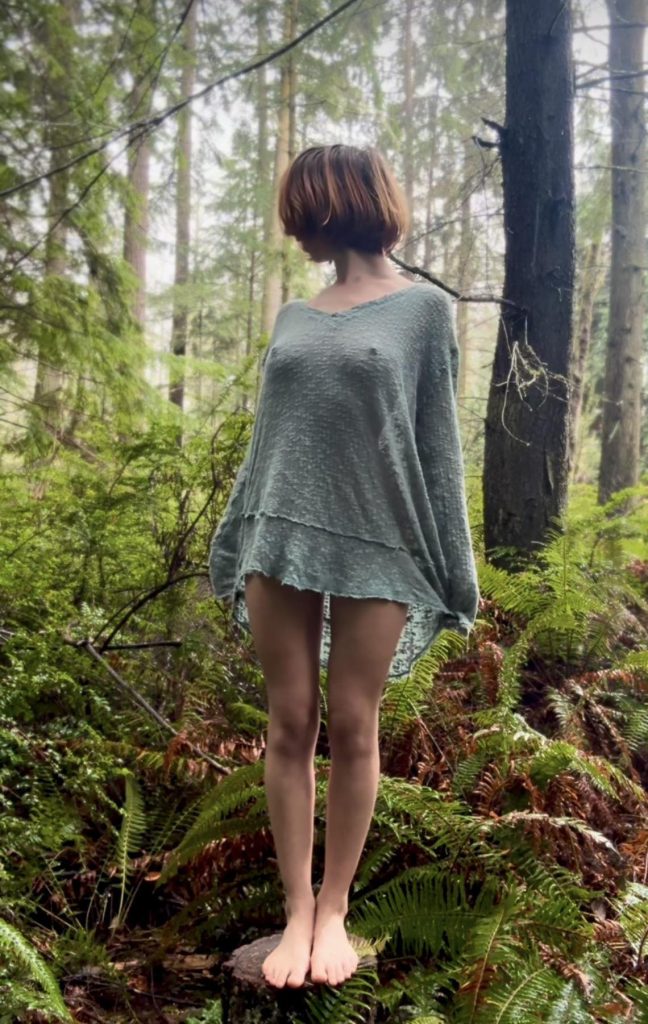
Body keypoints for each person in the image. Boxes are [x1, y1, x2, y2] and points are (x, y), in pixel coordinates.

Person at [208, 144, 480, 990]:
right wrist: (237, 530)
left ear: (339, 204)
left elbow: (437, 447)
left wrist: (452, 561)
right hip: (280, 534)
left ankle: (334, 910)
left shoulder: (423, 312)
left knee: (355, 724)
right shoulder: (294, 315)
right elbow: (269, 445)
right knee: (289, 722)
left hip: (381, 538)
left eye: (303, 212)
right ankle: (296, 910)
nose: (295, 231)